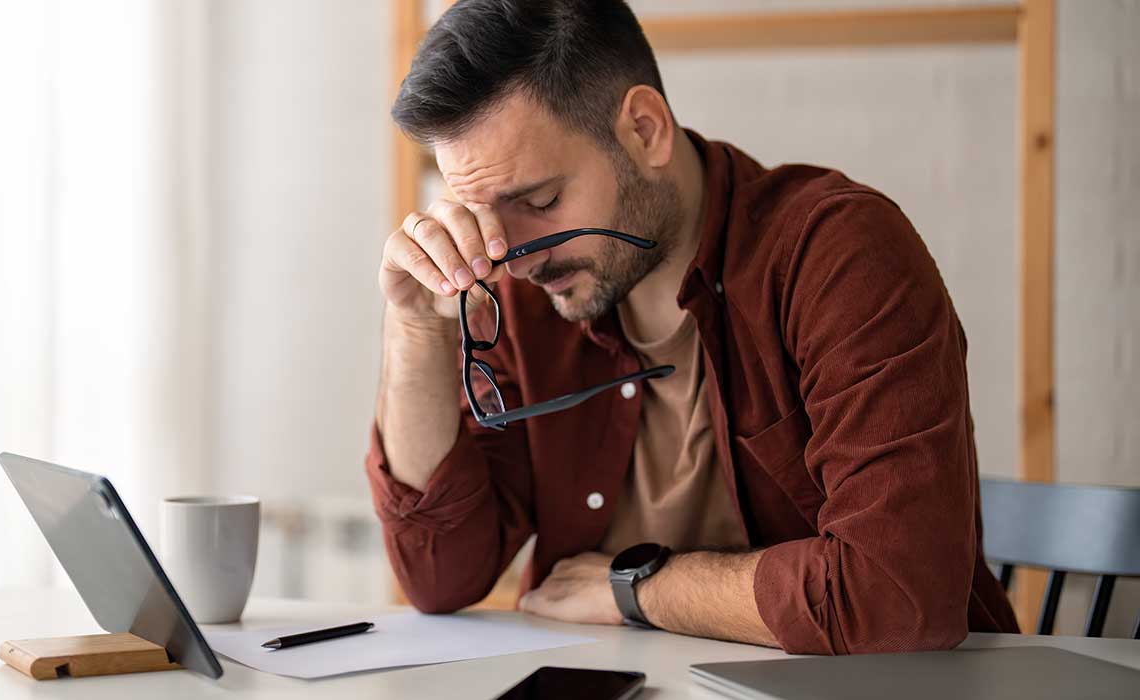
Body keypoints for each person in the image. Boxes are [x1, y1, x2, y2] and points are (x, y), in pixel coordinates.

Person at [365, 0, 1018, 655]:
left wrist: (640, 589)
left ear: (645, 130)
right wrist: (416, 327)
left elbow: (896, 599)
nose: (518, 254)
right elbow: (438, 575)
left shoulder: (840, 255)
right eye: (485, 212)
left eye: (540, 202)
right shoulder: (519, 287)